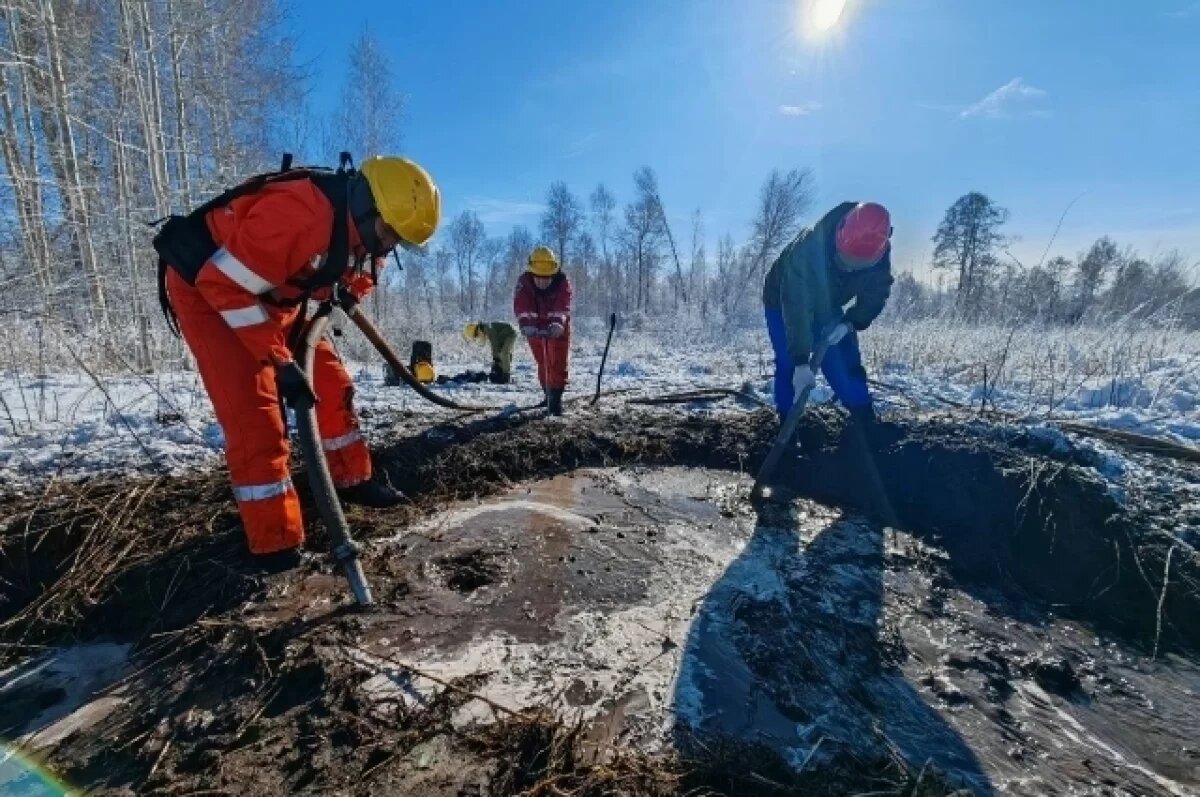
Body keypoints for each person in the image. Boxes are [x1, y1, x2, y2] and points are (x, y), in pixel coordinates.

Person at [161, 155, 441, 568]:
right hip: (211, 294)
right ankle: (275, 543)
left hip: (276, 296)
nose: (389, 245)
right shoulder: (300, 213)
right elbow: (223, 284)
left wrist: (343, 291)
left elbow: (353, 270)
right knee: (257, 419)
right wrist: (278, 361)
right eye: (389, 233)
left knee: (331, 384)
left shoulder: (368, 233)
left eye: (397, 240)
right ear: (367, 206)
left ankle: (350, 480)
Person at [762, 201, 893, 424]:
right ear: (839, 237)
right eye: (845, 261)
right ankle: (786, 418)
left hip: (828, 303)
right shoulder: (809, 250)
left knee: (842, 358)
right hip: (782, 300)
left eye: (857, 266)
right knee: (788, 363)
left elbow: (876, 294)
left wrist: (850, 322)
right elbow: (797, 307)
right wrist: (802, 362)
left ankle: (863, 417)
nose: (850, 269)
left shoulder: (878, 252)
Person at [513, 245, 573, 415]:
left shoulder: (563, 282)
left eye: (547, 278)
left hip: (558, 328)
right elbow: (522, 305)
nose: (542, 281)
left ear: (554, 273)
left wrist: (558, 324)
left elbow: (563, 305)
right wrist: (526, 324)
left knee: (557, 362)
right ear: (531, 273)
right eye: (538, 277)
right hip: (535, 327)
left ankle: (556, 399)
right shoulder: (523, 283)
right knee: (542, 361)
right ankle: (547, 394)